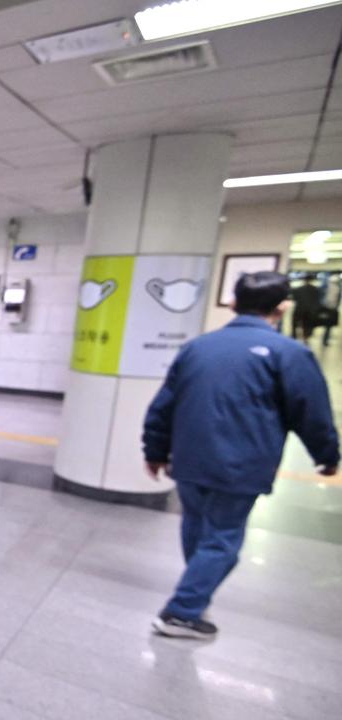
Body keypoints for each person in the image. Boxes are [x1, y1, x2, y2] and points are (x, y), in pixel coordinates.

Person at [142, 271, 339, 639]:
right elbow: (310, 411)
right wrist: (327, 454)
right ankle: (182, 611)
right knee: (222, 539)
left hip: (188, 459)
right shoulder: (290, 354)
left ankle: (195, 593)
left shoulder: (197, 347)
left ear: (233, 303)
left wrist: (154, 450)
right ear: (282, 308)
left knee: (197, 528)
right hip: (241, 463)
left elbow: (164, 406)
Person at [290, 275, 322, 341]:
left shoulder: (298, 289)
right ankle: (306, 337)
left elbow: (294, 298)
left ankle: (294, 336)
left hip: (300, 309)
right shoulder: (316, 289)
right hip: (310, 311)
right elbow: (318, 300)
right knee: (307, 325)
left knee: (295, 323)